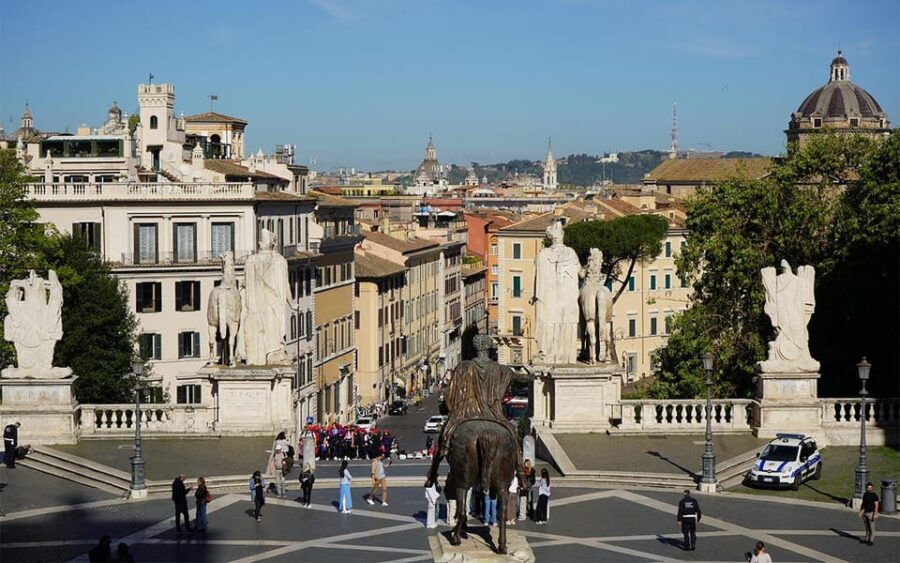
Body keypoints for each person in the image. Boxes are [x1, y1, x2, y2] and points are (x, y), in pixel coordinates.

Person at [858, 481, 880, 546]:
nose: (869, 489)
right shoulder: (865, 494)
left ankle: (871, 540)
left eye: (870, 488)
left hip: (871, 513)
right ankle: (866, 539)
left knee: (871, 527)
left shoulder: (874, 495)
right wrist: (861, 512)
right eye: (868, 488)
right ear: (866, 488)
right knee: (867, 527)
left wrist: (874, 514)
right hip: (865, 513)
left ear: (872, 488)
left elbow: (876, 506)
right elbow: (863, 504)